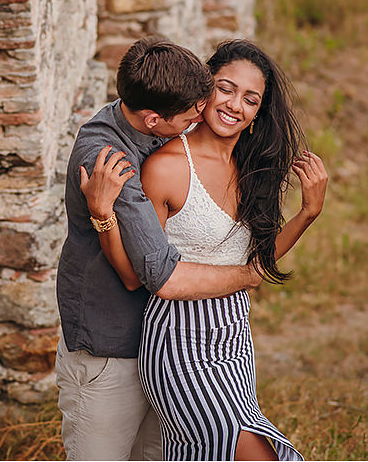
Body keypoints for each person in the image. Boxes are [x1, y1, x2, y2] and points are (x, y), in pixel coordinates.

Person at [83, 39, 328, 460]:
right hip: (178, 341)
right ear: (204, 90)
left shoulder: (253, 167)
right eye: (225, 88)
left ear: (258, 112)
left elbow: (256, 264)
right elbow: (135, 276)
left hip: (234, 336)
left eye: (250, 99)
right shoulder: (165, 167)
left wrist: (307, 213)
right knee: (256, 451)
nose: (235, 105)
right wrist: (103, 215)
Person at [55, 37, 264, 461]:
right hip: (110, 348)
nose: (200, 117)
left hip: (163, 350)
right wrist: (249, 275)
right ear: (154, 120)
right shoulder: (109, 160)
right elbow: (150, 276)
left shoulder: (148, 114)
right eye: (190, 115)